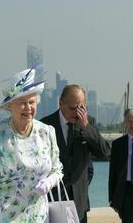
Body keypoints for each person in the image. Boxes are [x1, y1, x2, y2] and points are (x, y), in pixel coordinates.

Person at [0, 69, 63, 223]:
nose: (28, 108)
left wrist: (49, 182)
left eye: (31, 102)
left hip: (40, 218)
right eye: (22, 103)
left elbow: (57, 169)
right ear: (10, 106)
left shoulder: (47, 132)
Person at [41, 84, 110, 223]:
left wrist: (86, 128)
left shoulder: (88, 122)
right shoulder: (45, 125)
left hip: (79, 202)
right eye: (73, 108)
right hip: (53, 200)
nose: (77, 113)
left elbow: (104, 152)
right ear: (60, 103)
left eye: (81, 108)